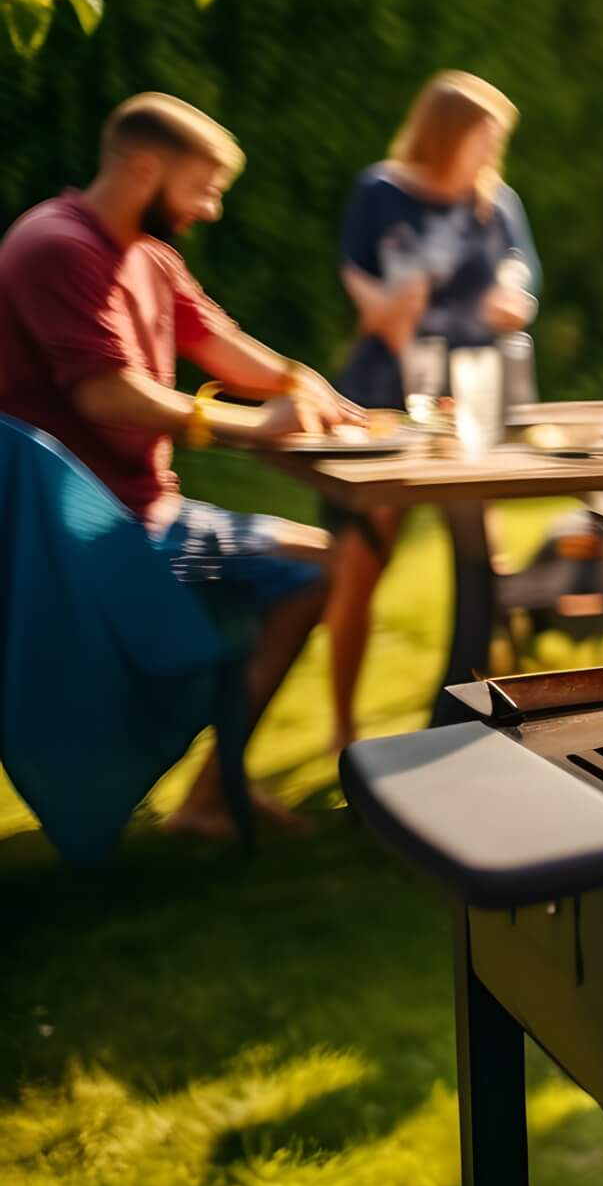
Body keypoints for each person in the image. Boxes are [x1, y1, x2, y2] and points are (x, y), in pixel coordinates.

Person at [0, 94, 359, 839]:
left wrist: (301, 382)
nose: (212, 208)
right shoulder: (56, 246)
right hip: (79, 533)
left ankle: (210, 794)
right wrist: (252, 425)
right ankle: (206, 794)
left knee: (324, 565)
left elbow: (220, 344)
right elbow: (107, 396)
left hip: (146, 513)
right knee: (319, 569)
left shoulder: (150, 254)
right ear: (142, 166)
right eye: (205, 186)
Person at [327, 71, 539, 751]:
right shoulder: (381, 195)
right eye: (485, 136)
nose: (492, 151)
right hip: (387, 401)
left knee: (484, 561)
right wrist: (403, 305)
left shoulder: (494, 203)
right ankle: (342, 727)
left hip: (474, 407)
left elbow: (520, 285)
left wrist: (513, 303)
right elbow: (375, 316)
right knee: (362, 564)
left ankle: (487, 715)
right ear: (448, 132)